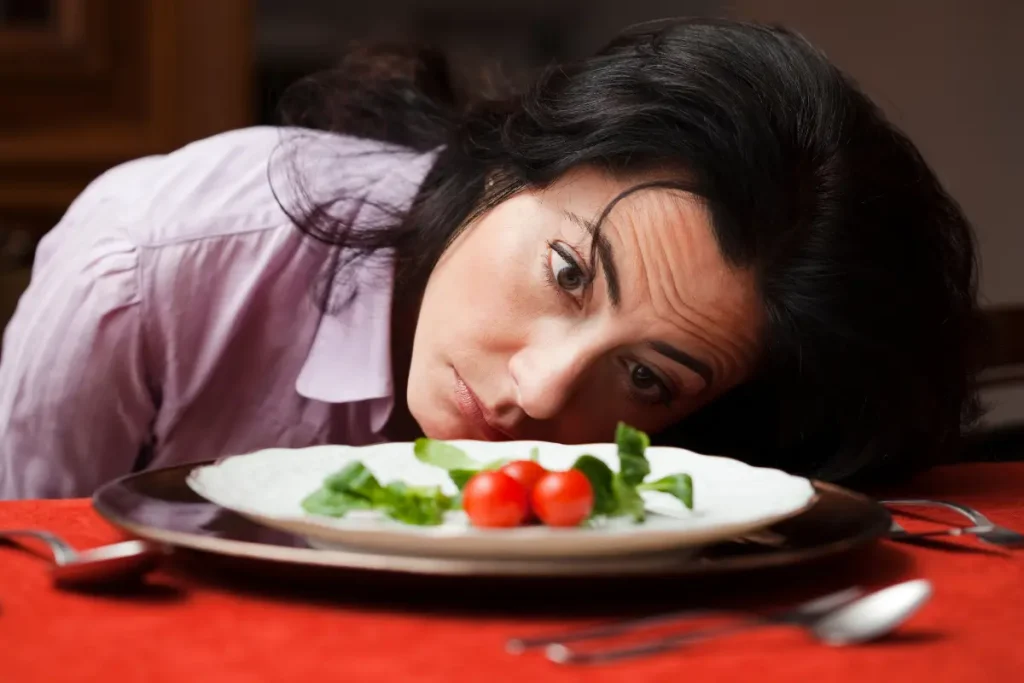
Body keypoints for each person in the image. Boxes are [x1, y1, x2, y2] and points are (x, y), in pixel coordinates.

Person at [0, 18, 979, 499]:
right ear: (505, 159)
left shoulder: (689, 462)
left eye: (644, 373)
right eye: (567, 271)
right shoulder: (144, 265)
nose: (541, 392)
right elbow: (25, 579)